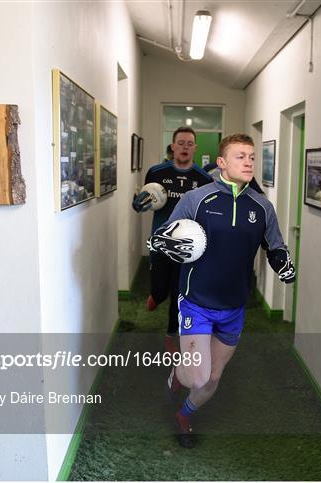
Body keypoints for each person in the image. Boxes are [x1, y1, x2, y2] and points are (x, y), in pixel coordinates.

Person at [148, 133, 295, 448]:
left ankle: (184, 415)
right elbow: (165, 234)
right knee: (196, 377)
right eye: (240, 156)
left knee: (213, 377)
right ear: (221, 162)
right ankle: (177, 376)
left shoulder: (262, 206)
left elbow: (275, 246)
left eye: (252, 157)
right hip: (196, 301)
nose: (248, 162)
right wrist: (168, 243)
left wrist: (282, 263)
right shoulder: (196, 199)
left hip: (234, 305)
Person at [132, 127, 212, 354]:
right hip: (160, 243)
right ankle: (156, 295)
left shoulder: (203, 179)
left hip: (187, 248)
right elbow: (143, 203)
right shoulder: (156, 173)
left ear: (195, 148)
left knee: (179, 293)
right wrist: (137, 204)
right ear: (173, 146)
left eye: (189, 143)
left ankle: (171, 335)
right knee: (160, 289)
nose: (185, 147)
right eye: (181, 143)